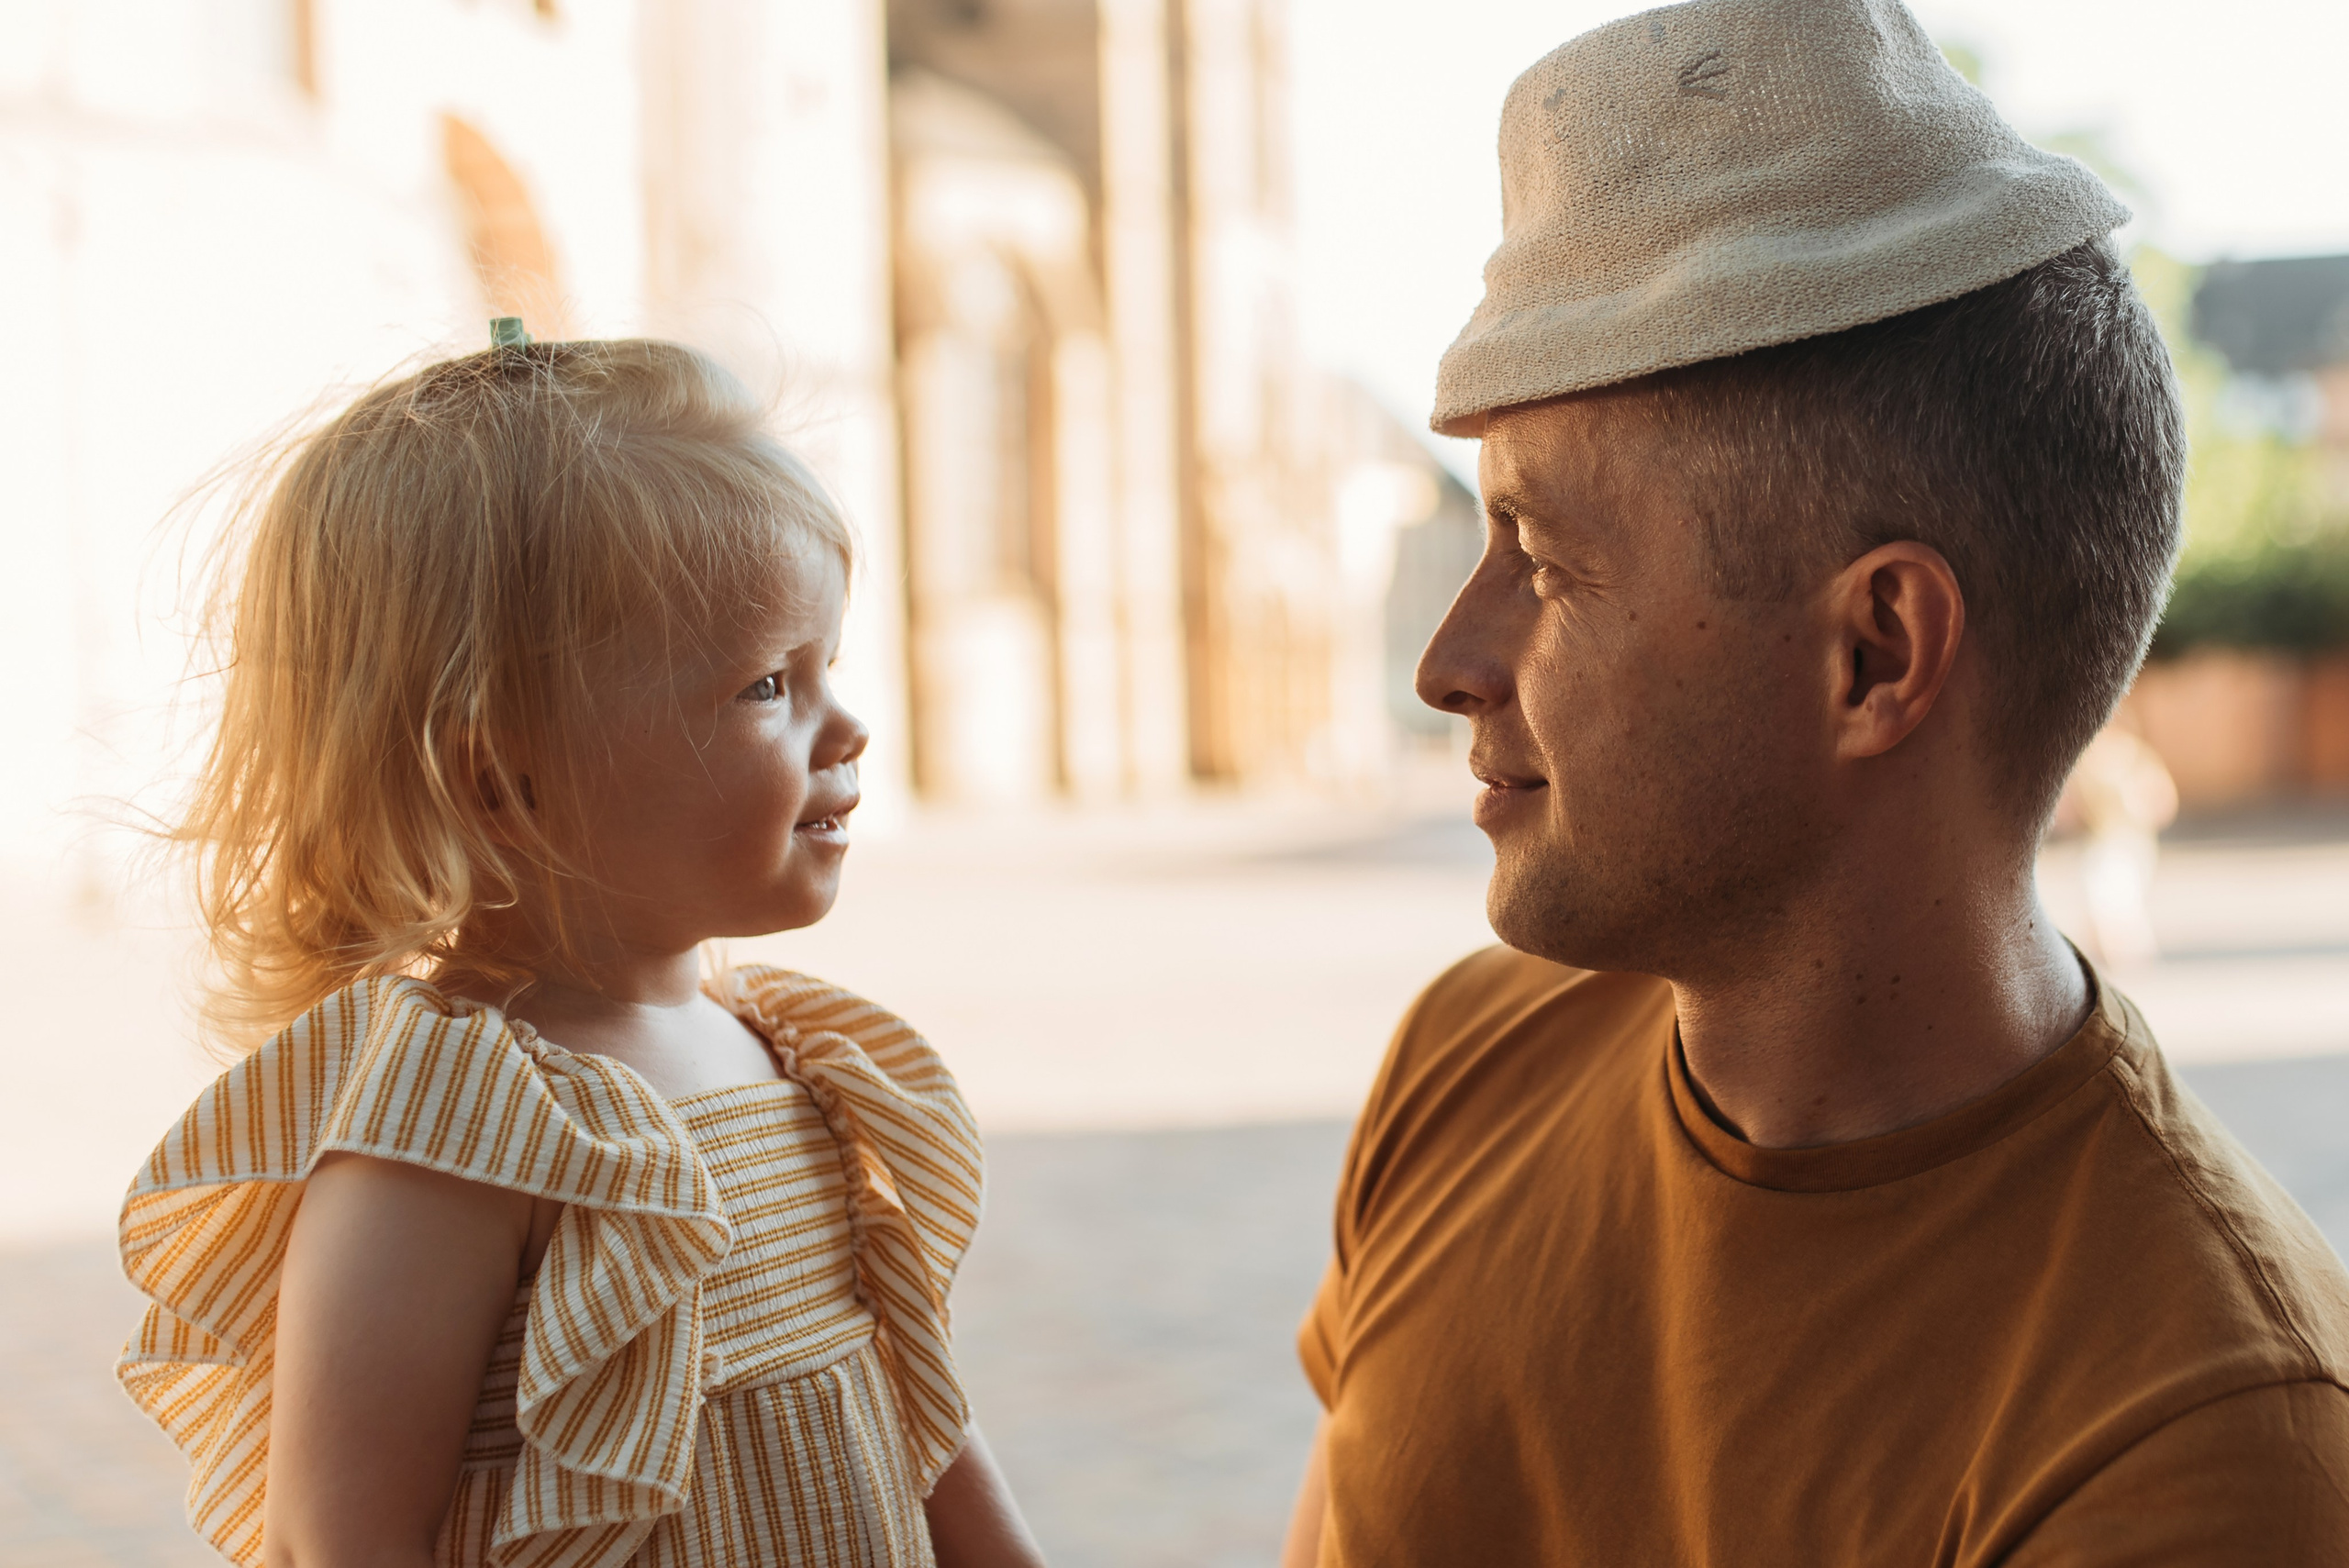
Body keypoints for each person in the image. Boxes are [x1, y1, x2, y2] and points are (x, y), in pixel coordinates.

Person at [1282, 2, 2349, 1563]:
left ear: (1874, 653)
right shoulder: (1473, 1057)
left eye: (1547, 559)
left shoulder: (2205, 1440)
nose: (1452, 659)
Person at [116, 332, 1047, 1568]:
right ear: (501, 772)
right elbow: (330, 1540)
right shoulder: (454, 1124)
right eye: (770, 683)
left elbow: (914, 1418)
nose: (850, 725)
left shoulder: (801, 1058)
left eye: (829, 665)